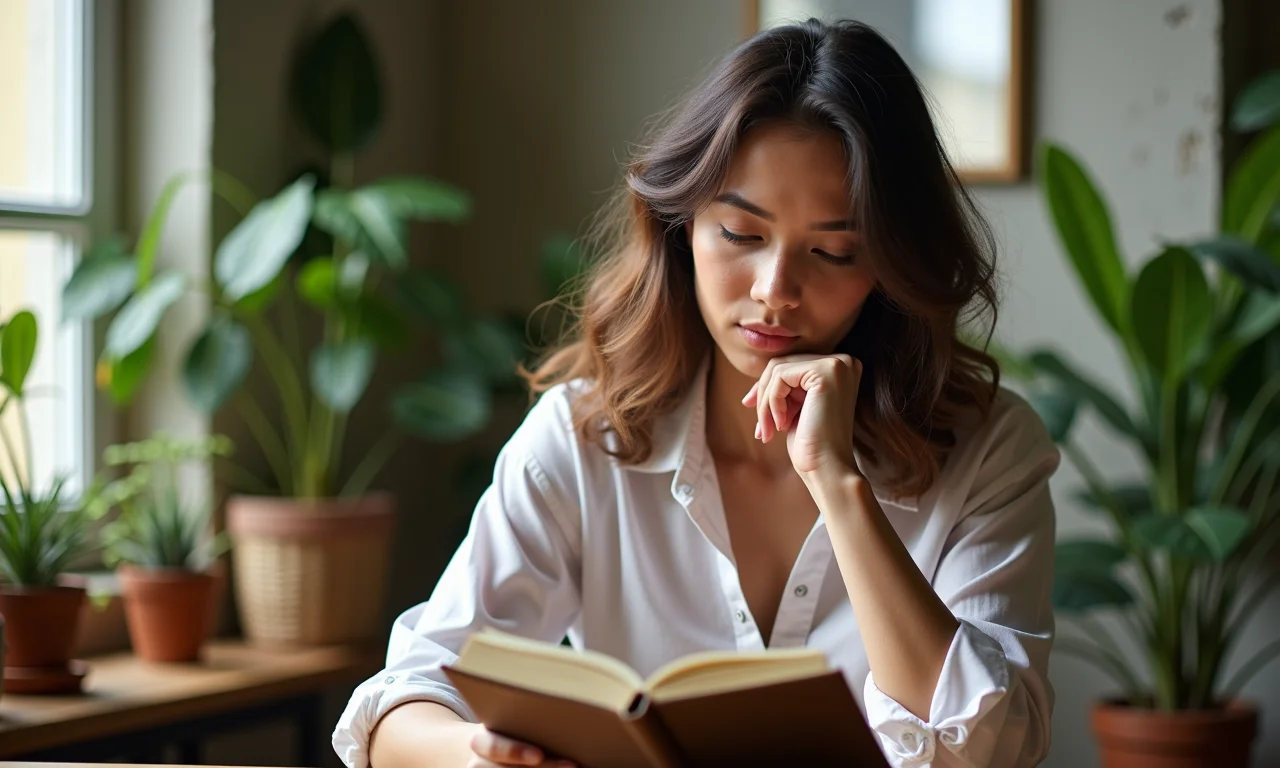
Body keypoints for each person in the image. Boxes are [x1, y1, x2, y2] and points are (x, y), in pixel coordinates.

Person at [333, 17, 1057, 768]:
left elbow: (993, 746)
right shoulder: (589, 434)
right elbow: (399, 705)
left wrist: (840, 488)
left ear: (892, 266)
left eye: (835, 251)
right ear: (682, 228)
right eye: (741, 236)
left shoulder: (989, 450)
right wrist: (480, 757)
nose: (776, 292)